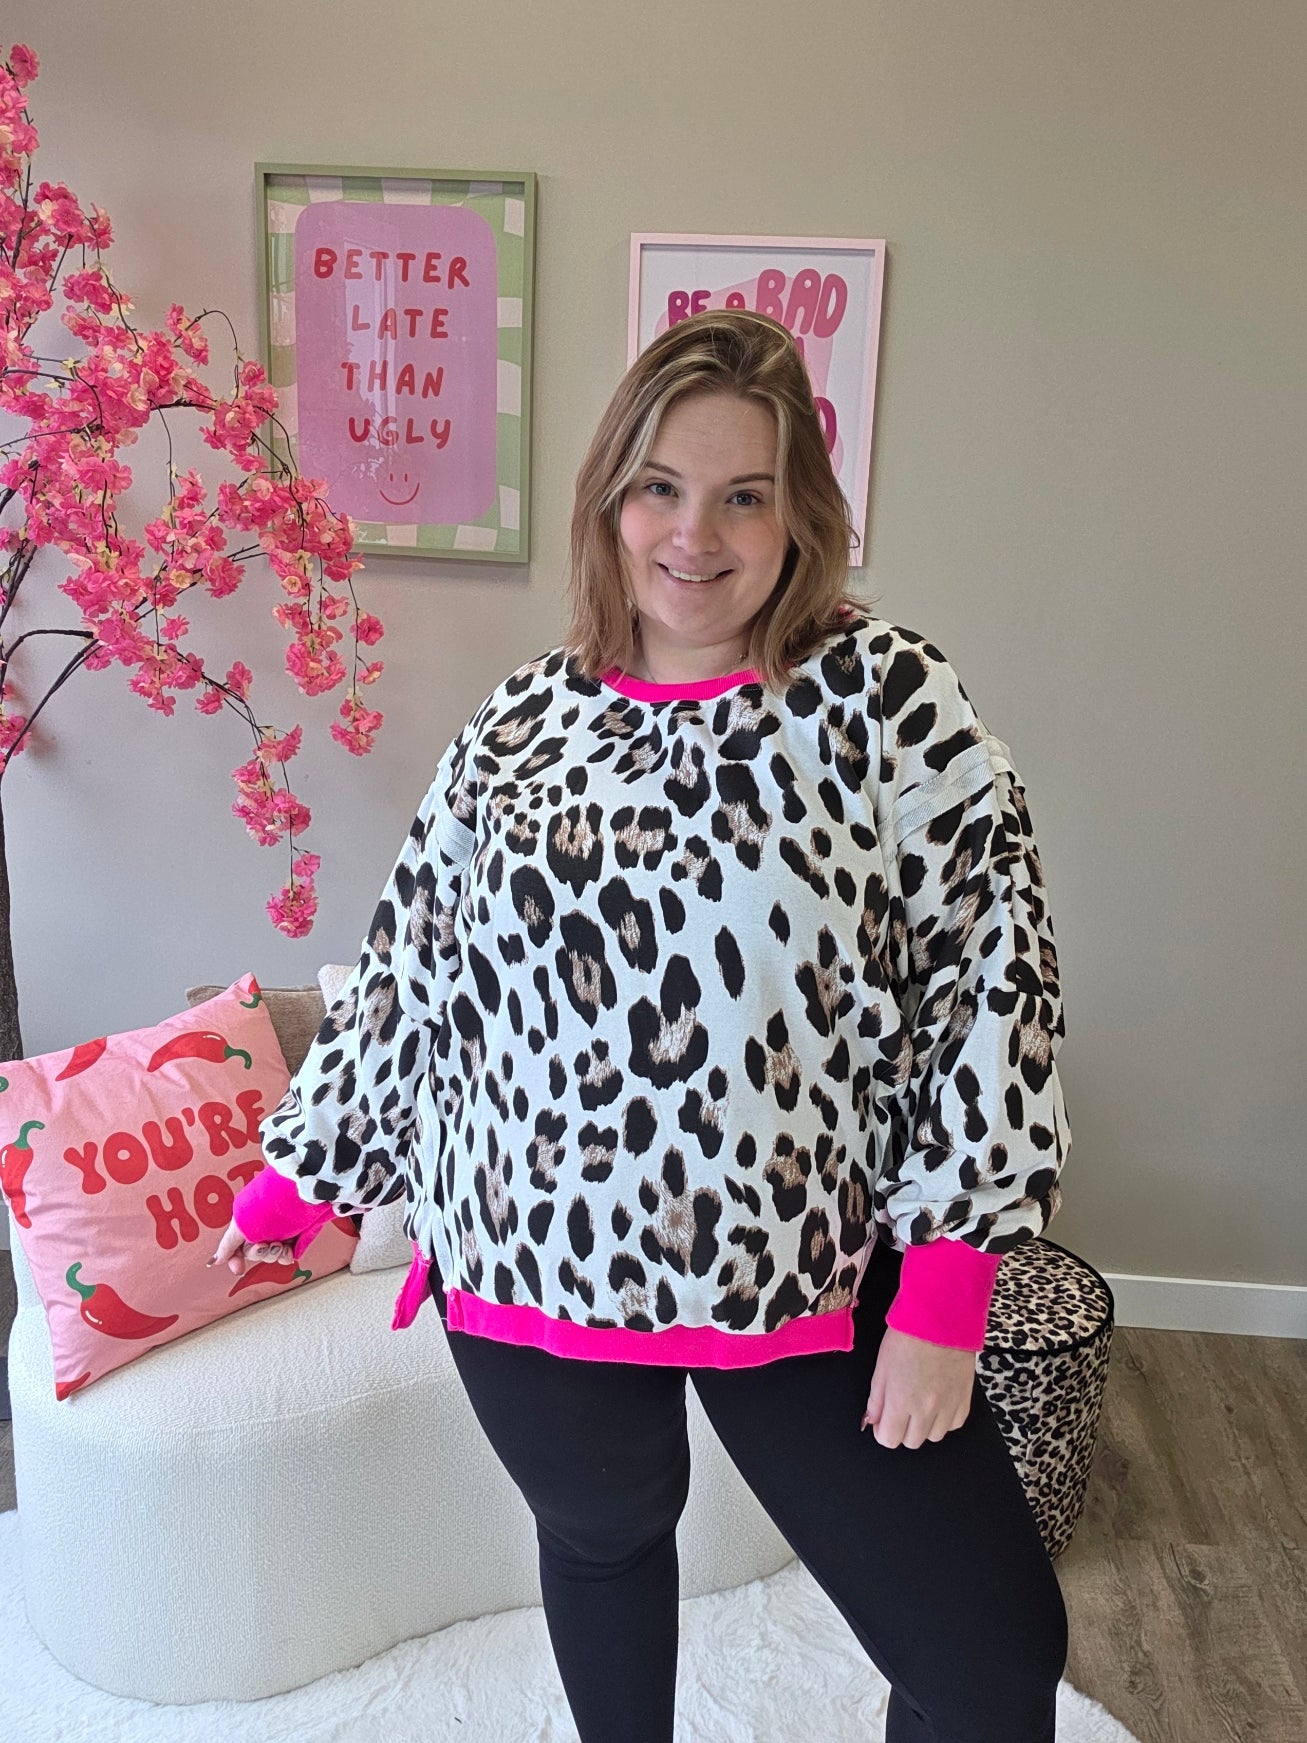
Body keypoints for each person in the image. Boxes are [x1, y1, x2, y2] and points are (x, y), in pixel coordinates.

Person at [215, 309, 1071, 1741]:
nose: (696, 534)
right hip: (533, 1250)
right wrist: (307, 1178)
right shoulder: (520, 724)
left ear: (802, 515)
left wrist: (945, 1284)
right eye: (661, 487)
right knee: (605, 1542)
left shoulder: (886, 699)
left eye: (746, 494)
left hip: (808, 1264)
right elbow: (419, 961)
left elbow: (994, 981)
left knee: (989, 1660)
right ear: (609, 499)